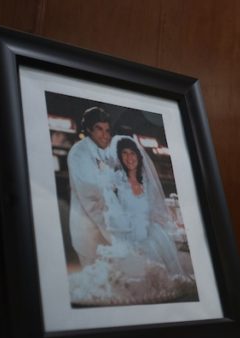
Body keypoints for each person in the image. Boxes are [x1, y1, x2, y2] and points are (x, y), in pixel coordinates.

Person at [108, 138, 187, 278]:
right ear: (119, 157)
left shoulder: (147, 182)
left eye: (132, 153)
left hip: (150, 231)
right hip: (126, 232)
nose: (129, 158)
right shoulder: (116, 180)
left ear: (139, 156)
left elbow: (155, 208)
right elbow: (110, 208)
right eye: (124, 153)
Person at [66, 107, 118, 266]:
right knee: (98, 285)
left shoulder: (103, 152)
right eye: (99, 129)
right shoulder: (79, 152)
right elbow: (91, 195)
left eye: (107, 130)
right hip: (89, 231)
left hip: (106, 229)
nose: (105, 135)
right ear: (88, 129)